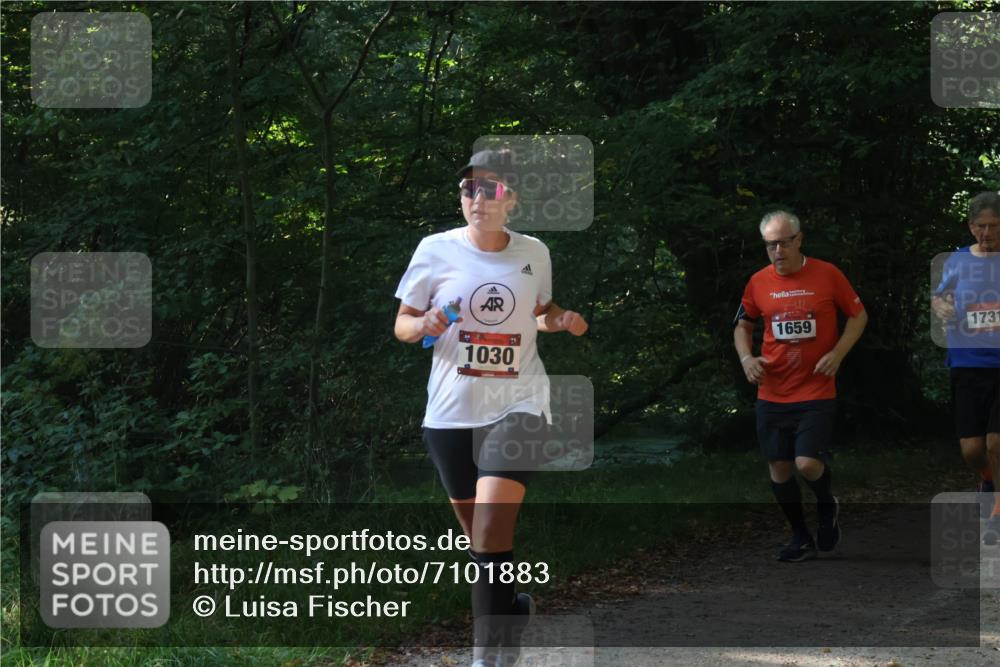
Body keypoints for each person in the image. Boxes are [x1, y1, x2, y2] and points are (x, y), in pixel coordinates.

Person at [394, 148, 588, 667]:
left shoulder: (534, 252)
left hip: (520, 403)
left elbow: (540, 312)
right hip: (451, 414)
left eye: (493, 189)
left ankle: (486, 658)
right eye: (470, 189)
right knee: (484, 545)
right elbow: (403, 325)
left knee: (488, 530)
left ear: (513, 199)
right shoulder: (434, 250)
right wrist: (426, 324)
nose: (479, 198)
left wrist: (561, 320)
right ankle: (512, 611)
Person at [733, 210, 868, 562]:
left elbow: (858, 315)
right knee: (779, 468)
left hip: (816, 389)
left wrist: (838, 353)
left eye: (783, 243)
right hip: (772, 391)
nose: (777, 251)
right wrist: (747, 359)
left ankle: (827, 504)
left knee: (806, 463)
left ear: (799, 240)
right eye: (770, 245)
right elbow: (742, 325)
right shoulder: (757, 282)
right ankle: (799, 535)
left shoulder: (827, 274)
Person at [931, 192, 1000, 543]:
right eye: (979, 227)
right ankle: (987, 479)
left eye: (992, 226)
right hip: (967, 363)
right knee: (973, 450)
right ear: (970, 227)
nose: (985, 234)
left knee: (996, 441)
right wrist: (942, 307)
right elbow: (940, 296)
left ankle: (998, 513)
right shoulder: (957, 261)